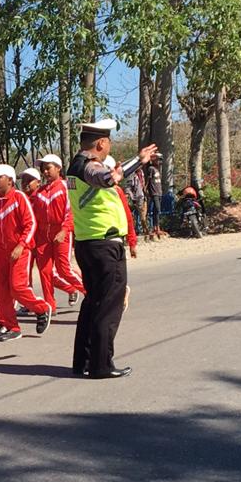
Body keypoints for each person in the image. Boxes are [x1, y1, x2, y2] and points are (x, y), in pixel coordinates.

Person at [66, 119, 156, 379]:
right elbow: (108, 178)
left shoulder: (75, 166)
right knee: (108, 306)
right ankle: (101, 365)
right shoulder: (89, 166)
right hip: (105, 246)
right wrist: (138, 160)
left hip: (87, 243)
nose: (108, 148)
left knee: (92, 304)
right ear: (101, 143)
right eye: (108, 144)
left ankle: (82, 361)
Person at [0, 164, 51, 342]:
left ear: (9, 180)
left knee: (17, 287)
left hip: (19, 251)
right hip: (0, 254)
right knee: (2, 291)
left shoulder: (19, 198)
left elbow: (30, 224)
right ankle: (11, 327)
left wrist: (21, 245)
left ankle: (41, 308)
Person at [33, 153, 85, 312]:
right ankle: (50, 304)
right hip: (43, 235)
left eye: (48, 168)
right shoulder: (40, 192)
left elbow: (71, 211)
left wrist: (64, 230)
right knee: (45, 271)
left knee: (64, 269)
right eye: (43, 169)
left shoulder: (66, 186)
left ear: (58, 168)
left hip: (61, 232)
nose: (45, 172)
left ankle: (90, 292)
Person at [143, 153, 165, 240]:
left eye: (160, 160)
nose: (159, 162)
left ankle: (157, 227)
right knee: (157, 208)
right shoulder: (151, 169)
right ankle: (154, 227)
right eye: (158, 160)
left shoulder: (157, 169)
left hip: (159, 192)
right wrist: (146, 189)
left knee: (157, 210)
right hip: (154, 192)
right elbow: (148, 180)